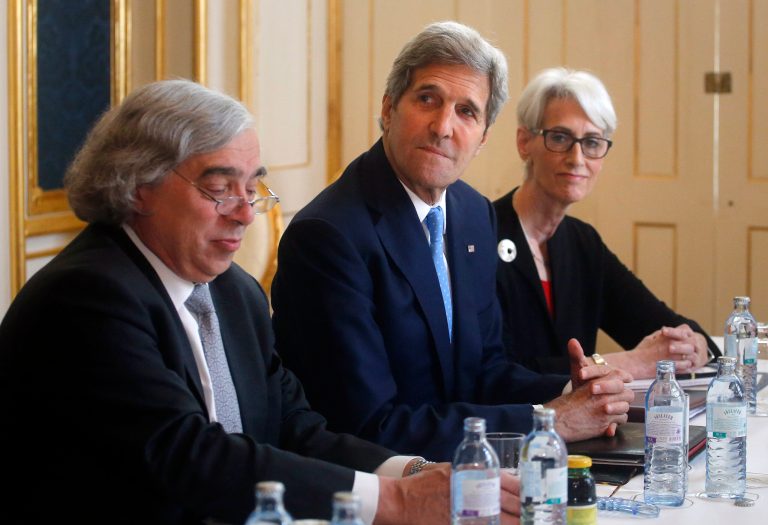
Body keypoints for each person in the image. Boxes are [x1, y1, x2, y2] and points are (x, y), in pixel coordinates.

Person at [0, 79, 523, 525]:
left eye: (253, 189)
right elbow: (192, 458)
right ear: (139, 186)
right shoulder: (87, 298)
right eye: (220, 188)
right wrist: (393, 501)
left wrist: (412, 471)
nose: (245, 215)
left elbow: (297, 429)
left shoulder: (236, 293)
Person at [271, 21, 634, 463]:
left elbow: (484, 370)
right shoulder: (328, 237)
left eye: (467, 111)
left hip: (465, 467)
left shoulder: (471, 212)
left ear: (482, 138)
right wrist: (550, 421)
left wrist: (571, 390)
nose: (443, 126)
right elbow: (369, 425)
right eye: (428, 99)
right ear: (388, 109)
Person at [494, 67, 719, 379]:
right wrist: (632, 363)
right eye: (560, 138)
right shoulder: (481, 236)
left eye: (592, 142)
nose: (577, 158)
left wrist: (695, 345)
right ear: (524, 143)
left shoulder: (583, 243)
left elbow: (662, 324)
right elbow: (499, 375)